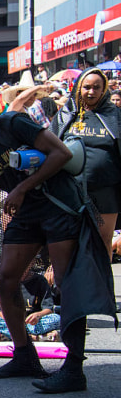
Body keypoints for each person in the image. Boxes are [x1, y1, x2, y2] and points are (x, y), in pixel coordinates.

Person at [0, 88, 105, 393]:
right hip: (26, 213)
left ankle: (74, 368)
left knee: (64, 280)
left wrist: (22, 188)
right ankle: (25, 356)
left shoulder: (13, 124)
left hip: (58, 202)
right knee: (6, 279)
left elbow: (61, 153)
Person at [50, 68, 121, 257]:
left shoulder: (115, 116)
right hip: (71, 190)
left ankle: (103, 284)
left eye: (97, 87)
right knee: (72, 240)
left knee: (104, 240)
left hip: (105, 190)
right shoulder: (66, 115)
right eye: (87, 87)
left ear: (104, 89)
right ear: (78, 88)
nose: (91, 92)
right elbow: (50, 145)